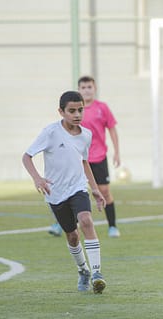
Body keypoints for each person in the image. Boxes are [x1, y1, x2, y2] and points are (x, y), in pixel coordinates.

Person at [22, 91, 107, 294]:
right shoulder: (51, 132)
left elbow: (84, 162)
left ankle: (97, 274)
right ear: (61, 111)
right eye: (71, 111)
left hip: (77, 187)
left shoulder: (86, 135)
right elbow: (27, 157)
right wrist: (38, 178)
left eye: (80, 110)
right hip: (55, 192)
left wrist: (94, 189)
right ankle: (83, 271)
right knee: (72, 236)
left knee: (86, 220)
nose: (77, 114)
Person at [47, 76, 121, 237]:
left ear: (95, 89)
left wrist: (117, 151)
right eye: (83, 87)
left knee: (104, 191)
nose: (87, 90)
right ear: (79, 90)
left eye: (90, 87)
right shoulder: (74, 109)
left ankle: (112, 226)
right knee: (69, 191)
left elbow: (112, 129)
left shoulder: (102, 108)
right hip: (76, 159)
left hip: (98, 156)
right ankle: (62, 225)